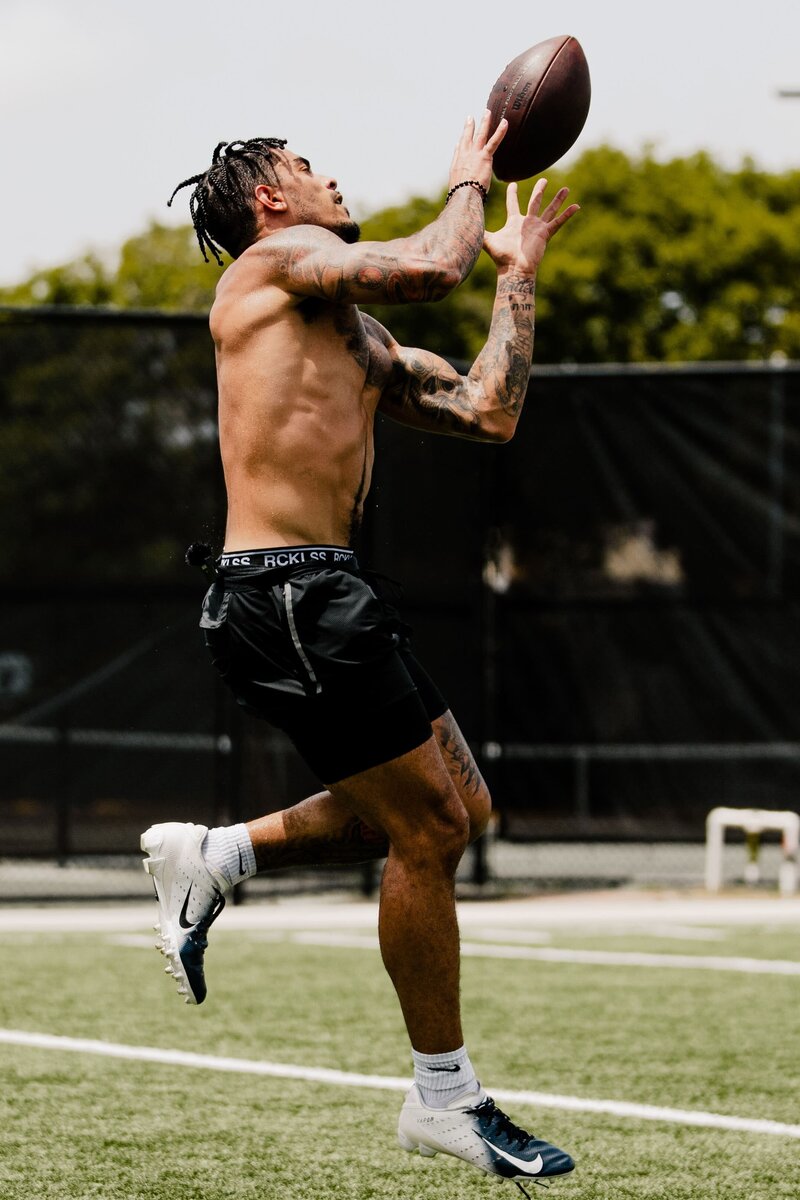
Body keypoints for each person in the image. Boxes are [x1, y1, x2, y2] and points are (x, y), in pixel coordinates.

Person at [141, 114, 579, 1191]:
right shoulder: (273, 265)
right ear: (268, 201)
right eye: (305, 169)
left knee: (457, 811)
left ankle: (220, 856)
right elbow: (432, 264)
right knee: (425, 825)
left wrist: (513, 276)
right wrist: (472, 182)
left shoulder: (357, 340)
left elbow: (488, 413)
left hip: (325, 592)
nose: (330, 176)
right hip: (282, 592)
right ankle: (443, 1097)